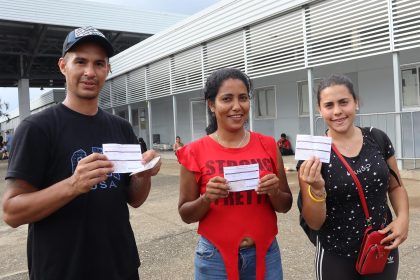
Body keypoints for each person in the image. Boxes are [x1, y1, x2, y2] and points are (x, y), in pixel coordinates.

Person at [1, 26, 161, 280]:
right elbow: (11, 211)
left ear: (107, 70)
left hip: (120, 266)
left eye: (99, 63)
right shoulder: (37, 128)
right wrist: (73, 184)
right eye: (80, 61)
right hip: (62, 270)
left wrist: (145, 174)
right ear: (63, 66)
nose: (90, 72)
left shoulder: (121, 128)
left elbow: (135, 199)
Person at [176, 68, 292, 279]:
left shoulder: (268, 145)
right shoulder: (194, 151)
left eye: (243, 98)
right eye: (227, 99)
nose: (237, 107)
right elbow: (185, 213)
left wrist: (274, 191)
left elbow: (285, 205)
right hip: (214, 258)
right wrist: (206, 198)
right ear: (211, 104)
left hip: (265, 253)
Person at [297, 74, 409, 280]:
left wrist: (403, 218)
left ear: (356, 103)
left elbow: (396, 187)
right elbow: (314, 222)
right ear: (319, 110)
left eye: (344, 102)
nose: (337, 111)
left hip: (381, 246)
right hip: (336, 255)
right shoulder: (313, 154)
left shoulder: (378, 138)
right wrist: (317, 189)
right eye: (329, 105)